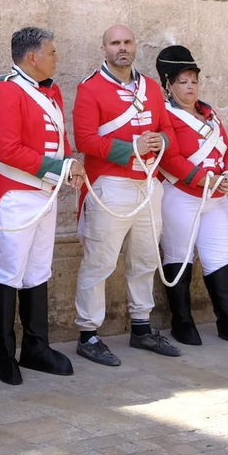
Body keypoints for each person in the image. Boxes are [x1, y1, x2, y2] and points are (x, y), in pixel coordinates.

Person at [71, 24, 182, 366]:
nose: (123, 48)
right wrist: (132, 148)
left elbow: (167, 128)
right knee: (100, 261)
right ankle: (88, 334)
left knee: (146, 259)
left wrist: (161, 142)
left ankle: (141, 327)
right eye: (115, 43)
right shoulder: (89, 89)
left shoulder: (149, 86)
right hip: (110, 184)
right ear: (103, 49)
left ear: (135, 46)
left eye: (128, 42)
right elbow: (85, 140)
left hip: (148, 184)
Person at [0, 27, 83, 385]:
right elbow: (7, 148)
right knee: (9, 272)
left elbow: (60, 139)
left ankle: (36, 347)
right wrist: (60, 167)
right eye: (52, 53)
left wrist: (68, 163)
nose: (57, 58)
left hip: (45, 192)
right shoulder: (6, 89)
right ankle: (4, 354)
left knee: (38, 269)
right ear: (33, 57)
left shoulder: (51, 90)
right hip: (16, 195)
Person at [153, 45, 228, 346]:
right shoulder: (164, 115)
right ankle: (182, 321)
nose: (190, 87)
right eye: (183, 82)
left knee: (219, 258)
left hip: (215, 197)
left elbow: (227, 149)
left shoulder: (209, 113)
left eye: (194, 81)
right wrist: (203, 179)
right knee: (179, 257)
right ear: (169, 85)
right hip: (181, 194)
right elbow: (169, 157)